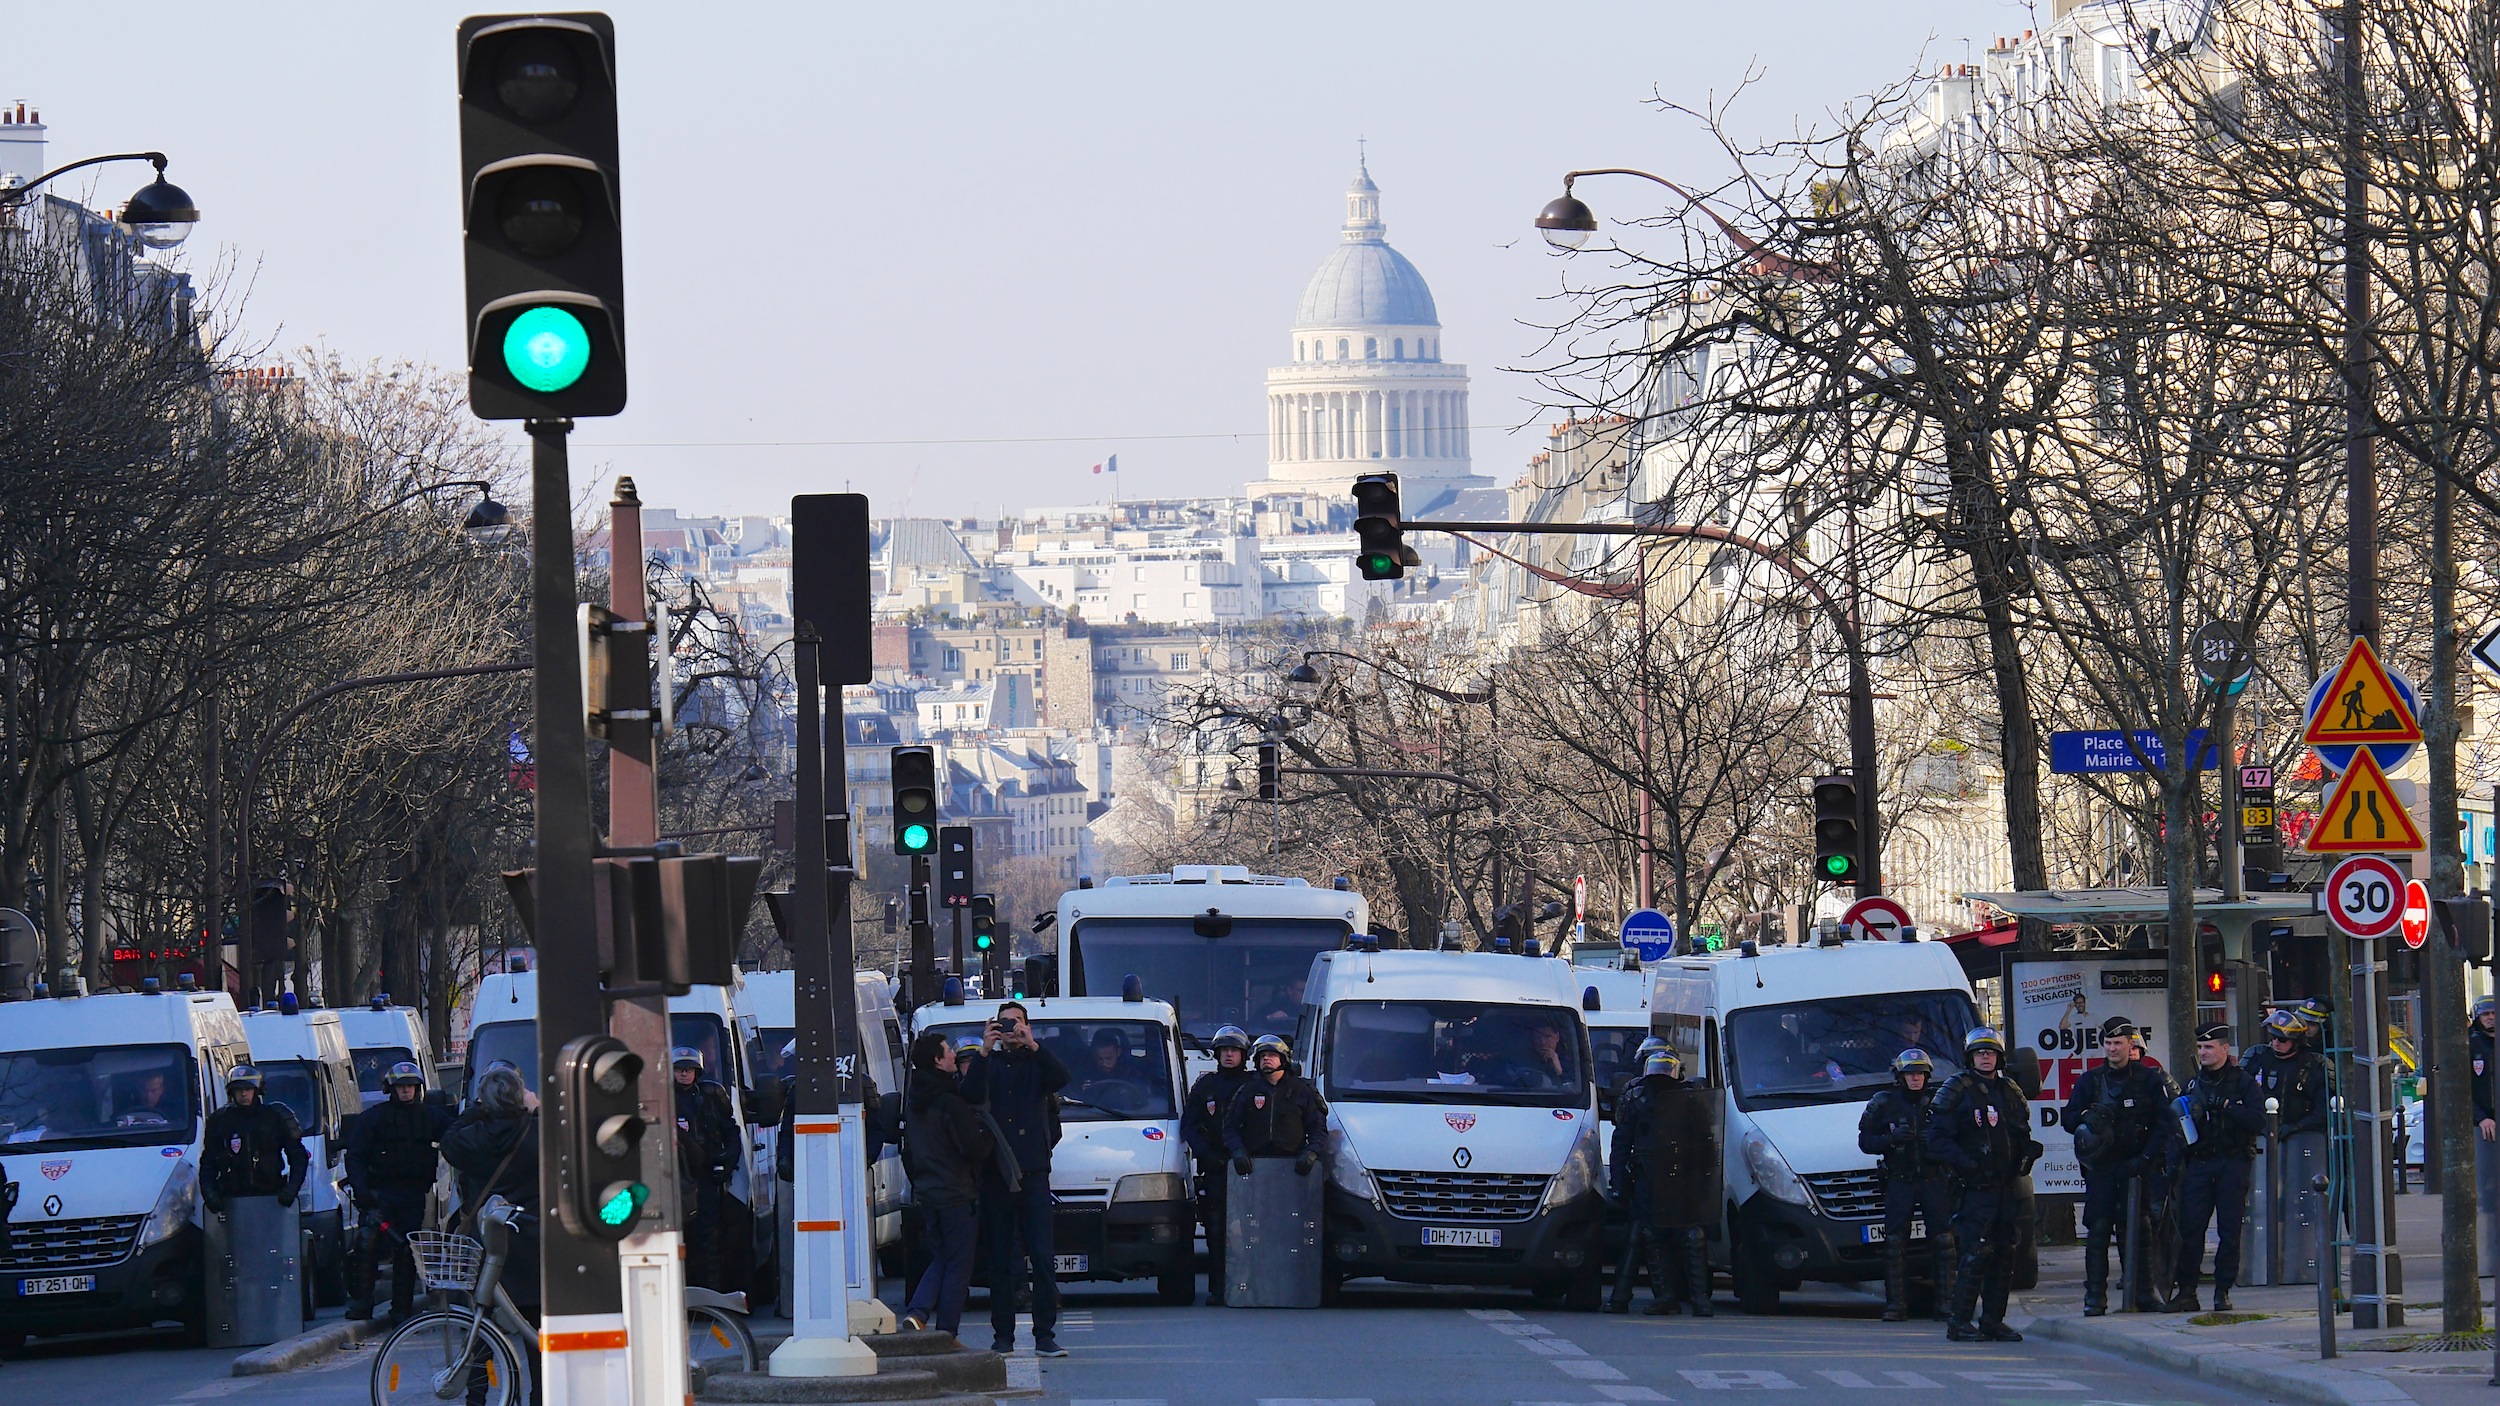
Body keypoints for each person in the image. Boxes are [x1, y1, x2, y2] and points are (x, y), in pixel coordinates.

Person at [959, 1001, 1070, 1357]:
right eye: (1005, 1023)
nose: (1011, 1029)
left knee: (1041, 1254)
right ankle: (1002, 1335)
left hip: (1034, 1172)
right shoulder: (987, 1062)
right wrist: (985, 1049)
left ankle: (1045, 1335)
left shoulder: (1037, 1062)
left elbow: (1061, 1077)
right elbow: (970, 1094)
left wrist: (1033, 1044)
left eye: (1017, 1022)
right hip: (997, 1173)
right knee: (1002, 1259)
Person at [1925, 1028, 2038, 1343]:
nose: (1985, 1058)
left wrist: (2026, 1150)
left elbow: (2020, 1130)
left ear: (1999, 1056)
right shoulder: (1956, 1089)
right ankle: (1959, 1321)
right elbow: (1935, 1140)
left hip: (2006, 1185)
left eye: (1990, 1053)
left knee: (2005, 1251)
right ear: (1970, 1056)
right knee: (1976, 1251)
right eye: (1979, 1053)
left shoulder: (2009, 1090)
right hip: (1973, 1187)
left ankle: (1992, 1320)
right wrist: (1967, 1164)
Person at [2063, 1017, 2175, 1316]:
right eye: (2108, 1043)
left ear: (2131, 1045)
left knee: (2137, 1230)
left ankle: (2144, 1293)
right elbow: (2068, 1119)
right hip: (2101, 1169)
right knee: (2098, 1231)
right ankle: (2095, 1297)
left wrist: (2147, 1159)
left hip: (2136, 1167)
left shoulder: (2149, 1079)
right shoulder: (2091, 1080)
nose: (2113, 1048)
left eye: (2119, 1043)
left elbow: (2165, 1124)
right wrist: (2087, 1115)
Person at [897, 1032, 993, 1338]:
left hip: (929, 1192)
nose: (954, 1055)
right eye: (948, 1051)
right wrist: (989, 1136)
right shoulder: (950, 1102)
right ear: (938, 1061)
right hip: (957, 1191)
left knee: (942, 1257)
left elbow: (910, 1150)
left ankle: (918, 1311)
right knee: (959, 1266)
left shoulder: (916, 1102)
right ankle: (946, 1335)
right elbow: (973, 1147)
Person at [343, 1061, 450, 1321]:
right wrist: (362, 1190)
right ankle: (362, 1303)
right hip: (379, 1194)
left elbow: (457, 1131)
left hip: (413, 1195)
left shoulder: (430, 1116)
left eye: (411, 1086)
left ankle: (401, 1309)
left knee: (406, 1250)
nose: (406, 1092)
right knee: (367, 1243)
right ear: (390, 1089)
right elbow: (355, 1155)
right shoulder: (373, 1118)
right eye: (401, 1087)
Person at [1612, 1045, 1714, 1316]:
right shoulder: (1638, 1101)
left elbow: (1706, 1147)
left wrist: (1704, 1182)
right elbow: (1621, 1145)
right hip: (1654, 1178)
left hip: (1679, 1179)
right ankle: (1681, 1298)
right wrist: (1619, 1182)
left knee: (1684, 1235)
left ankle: (1694, 1298)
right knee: (1653, 1234)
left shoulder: (1689, 1103)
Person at [2168, 1022, 2263, 1312]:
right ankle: (2187, 1291)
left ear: (2225, 1049)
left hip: (2232, 1162)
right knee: (2191, 1228)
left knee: (2229, 1230)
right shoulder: (2195, 1084)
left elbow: (2258, 1121)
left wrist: (2225, 1107)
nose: (2203, 1052)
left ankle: (2223, 1290)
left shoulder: (2243, 1083)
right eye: (2200, 1047)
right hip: (2200, 1162)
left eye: (2209, 1047)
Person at [440, 1066, 541, 1333]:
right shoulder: (537, 1135)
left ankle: (476, 1373)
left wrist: (476, 1109)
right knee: (534, 1324)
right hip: (530, 1236)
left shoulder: (472, 1137)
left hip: (486, 1237)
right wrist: (536, 1109)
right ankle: (540, 1375)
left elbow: (448, 1140)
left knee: (482, 1318)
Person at [1860, 1048, 1951, 1323]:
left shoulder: (1939, 1101)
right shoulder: (1884, 1103)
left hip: (1934, 1179)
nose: (1915, 1079)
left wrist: (1935, 1144)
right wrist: (1891, 1139)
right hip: (1900, 1181)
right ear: (1900, 1076)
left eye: (1920, 1074)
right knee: (1895, 1243)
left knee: (1944, 1242)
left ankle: (1946, 1303)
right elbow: (1865, 1141)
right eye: (1910, 1074)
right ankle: (1896, 1305)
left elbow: (1958, 1136)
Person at [1183, 1026, 1255, 1305]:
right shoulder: (1206, 1085)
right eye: (1224, 1050)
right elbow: (1189, 1125)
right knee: (1216, 1229)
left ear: (1244, 1054)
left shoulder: (1253, 1084)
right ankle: (1218, 1287)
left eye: (1234, 1051)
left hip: (1248, 1167)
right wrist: (1207, 1153)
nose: (1228, 1055)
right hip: (1215, 1167)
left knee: (1250, 1229)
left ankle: (1250, 1285)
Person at [670, 1047, 738, 1290]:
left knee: (709, 1239)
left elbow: (731, 1132)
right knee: (675, 1239)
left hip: (705, 1177)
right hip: (673, 1178)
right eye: (679, 1069)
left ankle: (711, 1296)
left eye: (689, 1069)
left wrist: (725, 1165)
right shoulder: (663, 1098)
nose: (684, 1074)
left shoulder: (710, 1097)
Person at [201, 1065, 309, 1213]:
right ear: (231, 1092)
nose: (243, 1094)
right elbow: (208, 1162)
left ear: (257, 1090)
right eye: (238, 1090)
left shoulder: (275, 1116)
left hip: (271, 1198)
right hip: (233, 1201)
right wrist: (210, 1195)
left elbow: (298, 1156)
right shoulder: (220, 1120)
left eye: (248, 1089)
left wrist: (291, 1189)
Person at [1223, 1035, 1328, 1175]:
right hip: (1255, 1166)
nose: (1266, 1059)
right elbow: (1230, 1127)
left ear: (1283, 1059)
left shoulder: (1301, 1089)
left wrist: (1311, 1152)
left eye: (1271, 1055)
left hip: (1293, 1167)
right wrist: (1237, 1150)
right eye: (1262, 1056)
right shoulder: (1248, 1090)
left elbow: (1318, 1128)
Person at [2244, 1009, 2328, 1138]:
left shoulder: (2313, 1064)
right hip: (2259, 1137)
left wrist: (2297, 1127)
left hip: (2303, 1138)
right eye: (2274, 1037)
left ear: (2296, 1041)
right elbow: (2239, 1094)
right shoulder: (2257, 1057)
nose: (2276, 1043)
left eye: (2282, 1039)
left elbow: (2323, 1109)